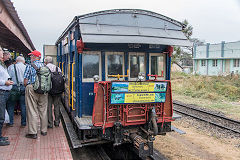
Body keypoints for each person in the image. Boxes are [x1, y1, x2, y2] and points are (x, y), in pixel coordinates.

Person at [24, 50, 48, 139]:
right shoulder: (45, 66)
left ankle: (33, 132)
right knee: (43, 110)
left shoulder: (30, 66)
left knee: (32, 110)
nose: (30, 58)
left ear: (35, 57)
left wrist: (26, 86)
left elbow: (25, 80)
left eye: (31, 56)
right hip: (44, 90)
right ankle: (44, 130)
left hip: (32, 88)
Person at [7, 56, 26, 127]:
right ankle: (23, 123)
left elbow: (8, 78)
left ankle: (10, 122)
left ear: (17, 61)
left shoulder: (11, 67)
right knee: (23, 105)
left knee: (11, 105)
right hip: (23, 87)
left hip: (13, 87)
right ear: (23, 61)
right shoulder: (26, 67)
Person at [44, 56, 63, 128]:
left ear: (46, 62)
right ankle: (57, 122)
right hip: (57, 90)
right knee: (57, 106)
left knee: (49, 107)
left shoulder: (45, 68)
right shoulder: (57, 68)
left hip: (49, 91)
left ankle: (50, 123)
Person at [0, 47, 13, 146]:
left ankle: (0, 136)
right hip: (1, 92)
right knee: (0, 117)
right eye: (1, 51)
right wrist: (5, 82)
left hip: (4, 93)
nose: (3, 53)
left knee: (2, 116)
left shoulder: (2, 65)